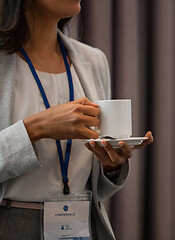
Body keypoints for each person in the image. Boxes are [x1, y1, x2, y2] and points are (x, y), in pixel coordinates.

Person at [0, 0, 153, 239]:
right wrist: (37, 128)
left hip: (83, 226)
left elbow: (95, 185)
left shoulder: (93, 61)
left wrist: (111, 165)